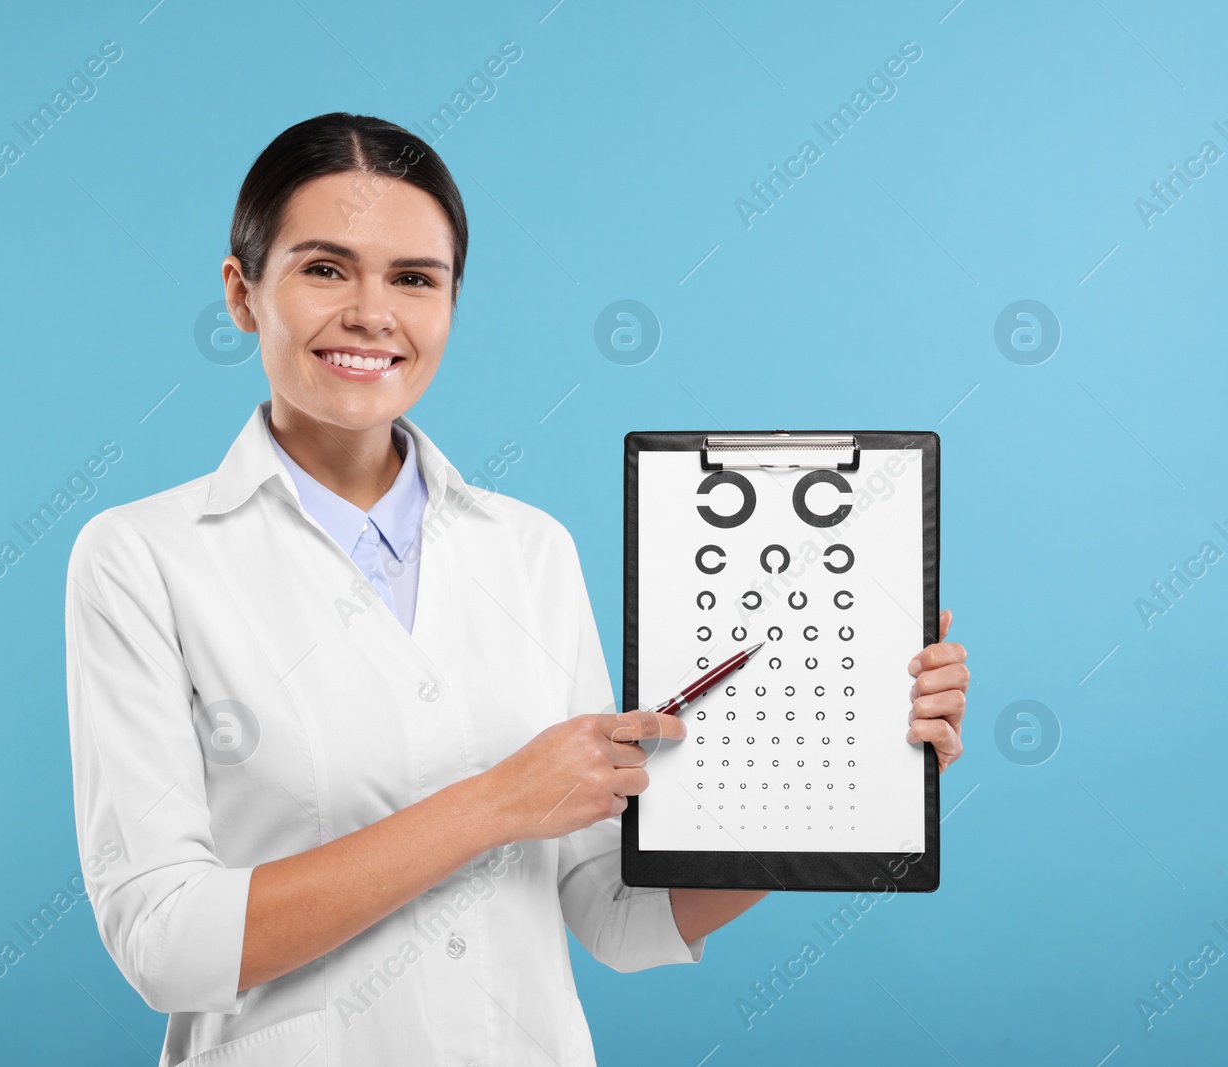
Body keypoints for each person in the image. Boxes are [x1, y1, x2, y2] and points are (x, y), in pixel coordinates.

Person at [63, 112, 969, 1067]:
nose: (374, 313)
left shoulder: (528, 548)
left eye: (415, 278)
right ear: (242, 293)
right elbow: (165, 940)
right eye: (325, 268)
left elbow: (612, 915)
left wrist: (854, 782)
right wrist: (497, 802)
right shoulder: (141, 557)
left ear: (451, 301)